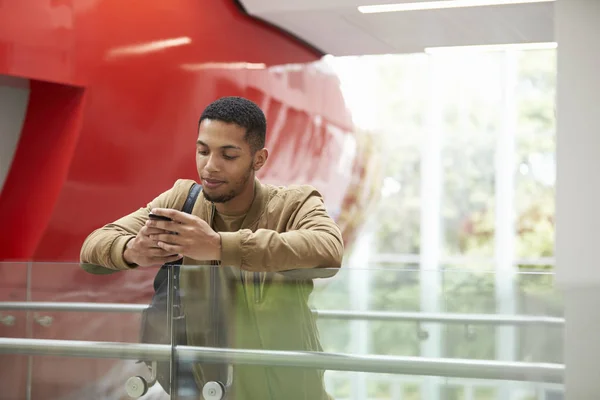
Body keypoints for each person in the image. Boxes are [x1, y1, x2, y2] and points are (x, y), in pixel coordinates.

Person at [80, 96, 344, 399]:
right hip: (203, 389)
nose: (210, 166)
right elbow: (93, 246)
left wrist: (219, 246)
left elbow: (328, 248)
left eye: (228, 155)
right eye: (202, 151)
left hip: (285, 391)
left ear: (259, 159)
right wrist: (131, 250)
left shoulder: (294, 204)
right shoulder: (181, 201)